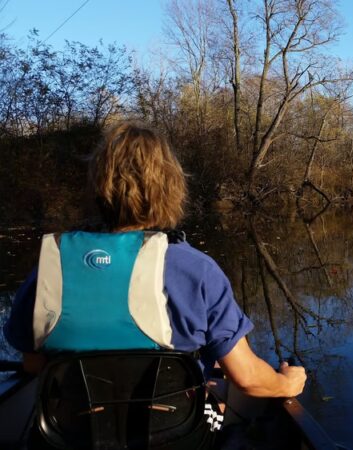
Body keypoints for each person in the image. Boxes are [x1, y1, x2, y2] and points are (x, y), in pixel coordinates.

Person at [2, 122, 306, 399]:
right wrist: (288, 383)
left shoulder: (51, 267)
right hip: (170, 435)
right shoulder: (197, 271)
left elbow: (33, 363)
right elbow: (249, 378)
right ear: (171, 189)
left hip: (72, 433)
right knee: (222, 397)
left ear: (97, 188)